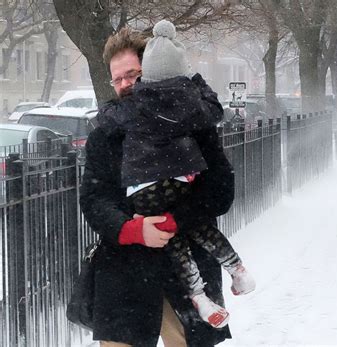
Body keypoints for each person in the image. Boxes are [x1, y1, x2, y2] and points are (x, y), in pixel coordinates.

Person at [79, 25, 235, 347]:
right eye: (117, 78)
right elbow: (94, 199)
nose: (124, 85)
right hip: (124, 273)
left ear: (148, 71)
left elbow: (220, 190)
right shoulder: (105, 135)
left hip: (189, 269)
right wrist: (132, 229)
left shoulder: (193, 125)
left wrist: (173, 221)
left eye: (132, 75)